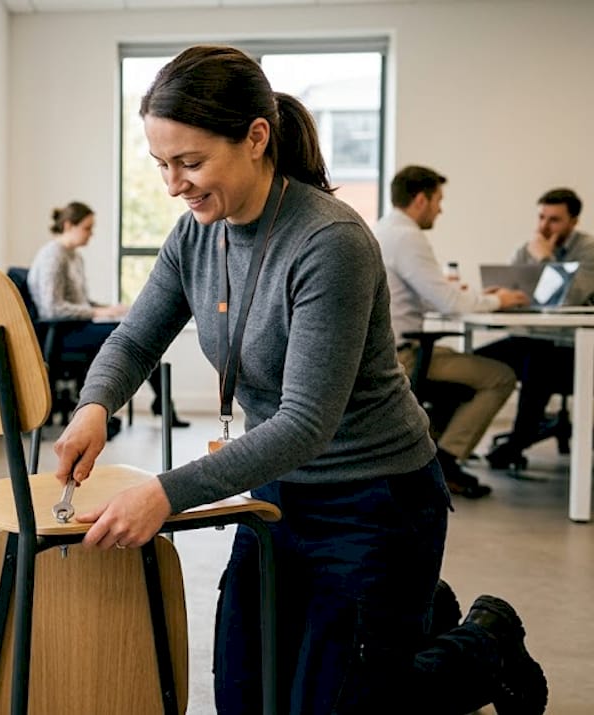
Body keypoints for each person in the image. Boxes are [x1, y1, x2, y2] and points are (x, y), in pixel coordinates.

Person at [51, 46, 546, 714]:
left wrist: (167, 494)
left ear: (257, 137)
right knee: (246, 700)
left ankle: (484, 642)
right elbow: (137, 336)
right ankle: (406, 617)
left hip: (377, 501)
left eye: (190, 162)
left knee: (341, 705)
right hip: (281, 494)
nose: (173, 185)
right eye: (161, 165)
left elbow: (305, 422)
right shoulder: (195, 235)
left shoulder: (329, 241)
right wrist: (93, 407)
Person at [374, 165, 529, 498]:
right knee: (500, 376)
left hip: (391, 347)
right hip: (404, 354)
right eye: (438, 200)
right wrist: (497, 300)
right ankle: (446, 460)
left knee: (470, 371)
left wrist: (470, 296)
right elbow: (451, 304)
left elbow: (427, 296)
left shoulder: (384, 229)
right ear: (420, 199)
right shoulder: (408, 237)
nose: (440, 209)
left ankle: (433, 451)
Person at [27, 201, 188, 430]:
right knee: (135, 335)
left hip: (75, 327)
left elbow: (80, 302)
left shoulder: (74, 257)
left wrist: (108, 308)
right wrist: (99, 312)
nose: (91, 234)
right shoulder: (53, 255)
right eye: (87, 228)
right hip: (59, 334)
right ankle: (152, 405)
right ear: (69, 225)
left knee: (138, 329)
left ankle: (162, 404)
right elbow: (52, 308)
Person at [476, 188, 590, 469]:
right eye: (541, 217)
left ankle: (517, 442)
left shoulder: (588, 251)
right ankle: (449, 448)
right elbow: (518, 298)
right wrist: (499, 296)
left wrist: (544, 258)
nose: (543, 226)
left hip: (573, 348)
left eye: (554, 220)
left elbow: (569, 297)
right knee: (476, 362)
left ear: (574, 221)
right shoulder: (525, 249)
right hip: (529, 338)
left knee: (538, 363)